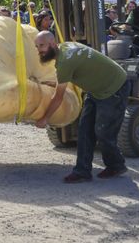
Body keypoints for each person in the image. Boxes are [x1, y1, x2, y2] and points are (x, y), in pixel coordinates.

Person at [35, 31, 130, 183]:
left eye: (41, 46)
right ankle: (82, 171)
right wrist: (56, 83)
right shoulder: (65, 47)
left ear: (52, 43)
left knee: (103, 132)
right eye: (37, 46)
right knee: (84, 130)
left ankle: (116, 165)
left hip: (114, 88)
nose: (39, 50)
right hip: (96, 90)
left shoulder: (65, 61)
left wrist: (44, 118)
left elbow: (58, 97)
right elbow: (75, 74)